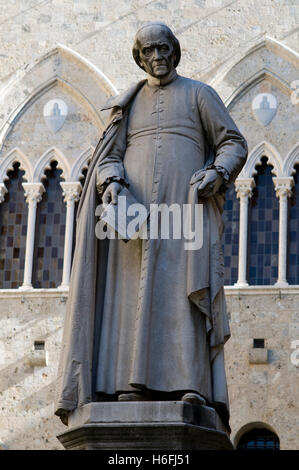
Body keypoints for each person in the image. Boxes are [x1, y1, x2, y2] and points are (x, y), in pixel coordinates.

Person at [55, 22, 248, 430]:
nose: (158, 57)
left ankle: (191, 383)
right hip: (135, 221)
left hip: (185, 214)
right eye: (149, 52)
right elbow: (109, 154)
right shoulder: (128, 104)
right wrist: (111, 182)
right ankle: (130, 384)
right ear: (140, 57)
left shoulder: (199, 95)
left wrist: (218, 171)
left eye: (164, 49)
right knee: (130, 301)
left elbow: (234, 142)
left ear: (174, 52)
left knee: (185, 294)